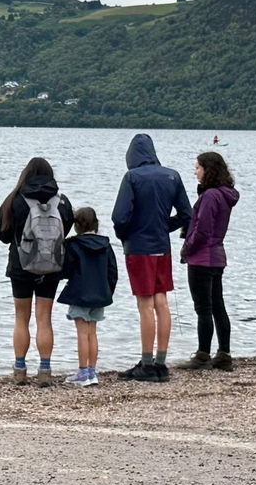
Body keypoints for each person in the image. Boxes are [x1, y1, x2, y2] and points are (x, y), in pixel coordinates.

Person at [111, 134, 192, 382]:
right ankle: (160, 362)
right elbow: (187, 214)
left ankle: (146, 364)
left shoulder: (132, 177)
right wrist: (164, 226)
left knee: (145, 304)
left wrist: (126, 235)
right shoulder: (172, 176)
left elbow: (119, 217)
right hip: (161, 247)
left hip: (139, 248)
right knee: (161, 301)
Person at [0, 157, 74, 386]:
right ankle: (45, 370)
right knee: (44, 318)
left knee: (21, 318)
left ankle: (20, 370)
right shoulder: (62, 201)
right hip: (51, 266)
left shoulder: (14, 200)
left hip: (21, 265)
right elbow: (66, 230)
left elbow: (2, 235)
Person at [177, 151, 240, 371]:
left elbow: (202, 230)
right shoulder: (223, 194)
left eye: (198, 168)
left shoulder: (210, 196)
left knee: (203, 308)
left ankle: (203, 354)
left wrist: (187, 248)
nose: (195, 172)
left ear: (208, 170)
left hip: (202, 258)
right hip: (217, 256)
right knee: (217, 306)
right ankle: (224, 353)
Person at [58, 207, 117, 387]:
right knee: (92, 332)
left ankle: (82, 372)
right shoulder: (105, 244)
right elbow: (112, 272)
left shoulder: (73, 245)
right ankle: (91, 371)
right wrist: (107, 292)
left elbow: (66, 270)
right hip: (99, 294)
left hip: (79, 294)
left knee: (82, 334)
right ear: (96, 224)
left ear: (76, 226)